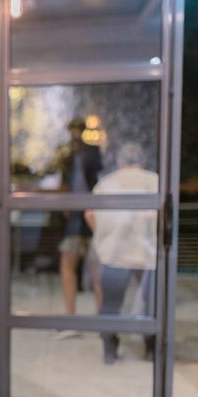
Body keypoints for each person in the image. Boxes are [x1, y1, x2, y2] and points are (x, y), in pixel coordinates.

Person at [84, 142, 158, 364]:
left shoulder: (106, 183)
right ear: (142, 160)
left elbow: (90, 214)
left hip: (114, 253)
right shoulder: (155, 181)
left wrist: (103, 237)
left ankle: (110, 349)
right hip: (148, 255)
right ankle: (151, 348)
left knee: (111, 304)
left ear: (119, 161)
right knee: (152, 304)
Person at [47, 117, 103, 317]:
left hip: (85, 214)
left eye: (77, 130)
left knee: (86, 267)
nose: (75, 134)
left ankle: (90, 317)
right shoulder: (75, 153)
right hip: (84, 214)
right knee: (83, 267)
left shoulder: (85, 152)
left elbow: (85, 180)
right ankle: (93, 319)